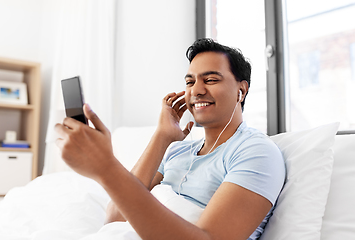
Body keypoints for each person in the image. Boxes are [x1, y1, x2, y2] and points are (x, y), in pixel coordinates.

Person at [55, 38, 285, 240]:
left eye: (211, 79)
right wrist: (162, 136)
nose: (196, 90)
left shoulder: (255, 151)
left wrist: (106, 167)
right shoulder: (177, 152)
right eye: (189, 82)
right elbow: (115, 218)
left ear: (241, 91)